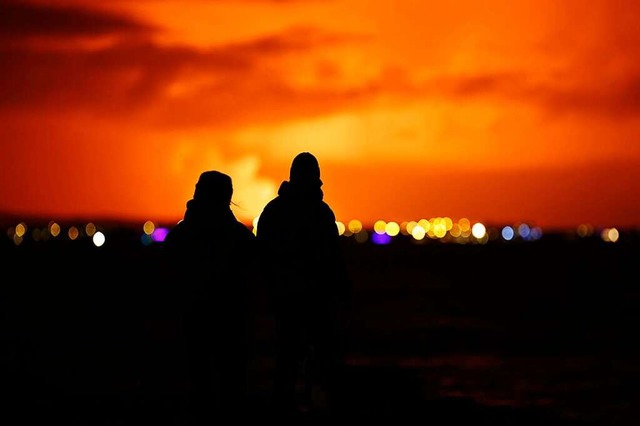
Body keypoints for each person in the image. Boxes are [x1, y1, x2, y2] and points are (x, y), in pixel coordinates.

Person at [256, 152, 352, 420]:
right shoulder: (321, 212)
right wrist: (343, 292)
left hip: (289, 298)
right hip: (312, 299)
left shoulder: (273, 211)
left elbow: (262, 257)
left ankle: (285, 410)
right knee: (321, 359)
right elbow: (333, 257)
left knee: (289, 359)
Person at [162, 170, 256, 424]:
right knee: (231, 389)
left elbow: (167, 281)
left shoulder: (179, 237)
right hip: (231, 322)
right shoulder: (241, 238)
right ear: (228, 197)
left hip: (192, 321)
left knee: (197, 384)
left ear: (197, 194)